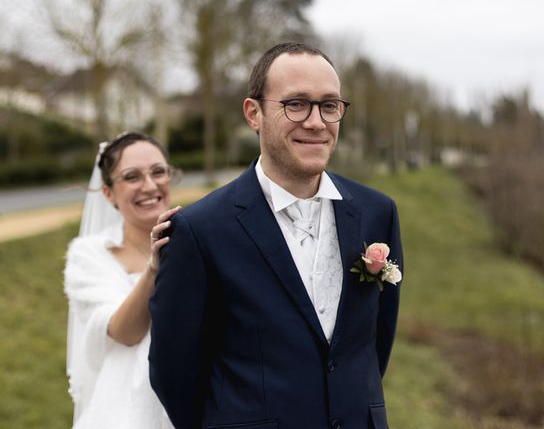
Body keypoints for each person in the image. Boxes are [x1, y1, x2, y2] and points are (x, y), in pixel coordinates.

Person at [149, 42, 403, 429]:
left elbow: (374, 345)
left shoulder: (377, 212)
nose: (316, 122)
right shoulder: (199, 231)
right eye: (296, 104)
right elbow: (174, 371)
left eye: (329, 105)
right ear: (254, 113)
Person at [64, 132, 180, 429]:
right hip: (125, 411)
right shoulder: (90, 255)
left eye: (158, 172)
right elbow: (126, 332)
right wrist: (154, 268)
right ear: (108, 193)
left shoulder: (198, 238)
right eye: (132, 177)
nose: (150, 185)